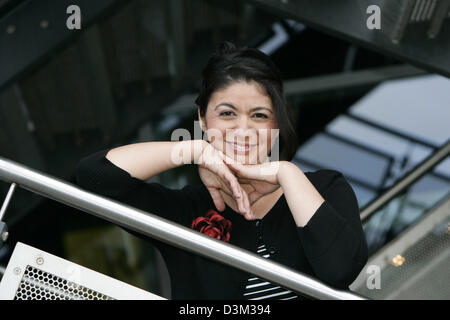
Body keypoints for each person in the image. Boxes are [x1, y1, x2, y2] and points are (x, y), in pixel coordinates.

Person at [76, 41, 368, 300]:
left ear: (276, 125)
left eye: (259, 115)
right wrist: (194, 151)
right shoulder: (185, 210)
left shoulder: (324, 188)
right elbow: (95, 176)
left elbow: (340, 271)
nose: (243, 129)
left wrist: (288, 175)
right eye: (227, 113)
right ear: (203, 119)